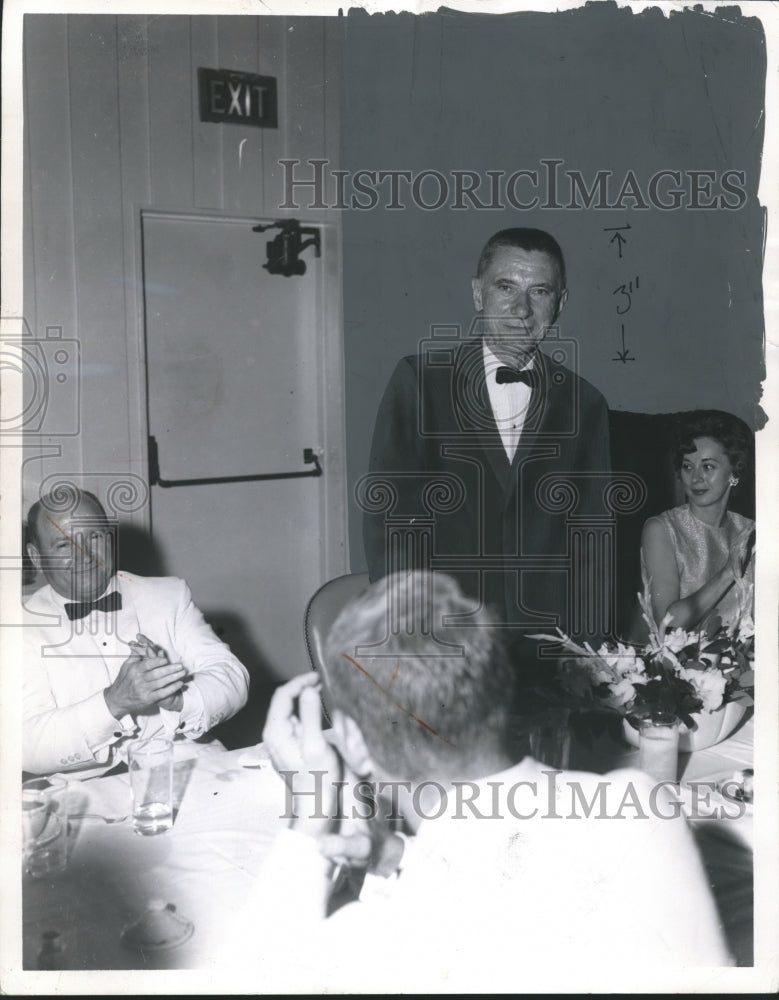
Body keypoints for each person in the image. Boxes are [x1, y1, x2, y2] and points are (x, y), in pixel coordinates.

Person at [221, 572, 729, 990]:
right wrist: (397, 856)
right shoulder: (640, 804)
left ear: (350, 741)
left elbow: (251, 972)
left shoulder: (386, 940)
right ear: (500, 692)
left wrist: (311, 812)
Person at [362, 228, 611, 641]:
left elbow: (592, 542)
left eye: (540, 292)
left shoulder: (585, 403)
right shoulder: (420, 381)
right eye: (506, 287)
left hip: (548, 642)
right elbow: (391, 522)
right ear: (479, 294)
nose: (521, 310)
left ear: (560, 303)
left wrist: (590, 650)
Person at [23, 488, 249, 777]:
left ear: (109, 540)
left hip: (184, 764)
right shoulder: (20, 628)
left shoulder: (169, 595)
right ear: (37, 557)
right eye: (63, 546)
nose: (85, 555)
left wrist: (178, 699)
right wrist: (113, 703)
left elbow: (232, 677)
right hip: (83, 789)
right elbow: (26, 744)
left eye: (93, 537)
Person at [641, 411, 755, 632]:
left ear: (734, 472)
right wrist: (728, 573)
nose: (695, 478)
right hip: (679, 665)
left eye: (708, 466)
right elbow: (667, 626)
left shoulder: (751, 533)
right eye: (687, 466)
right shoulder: (662, 530)